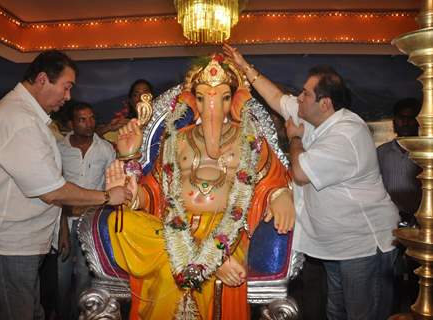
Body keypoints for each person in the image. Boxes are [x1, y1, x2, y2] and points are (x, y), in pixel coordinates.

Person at [101, 54, 295, 319]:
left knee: (171, 268)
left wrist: (280, 194)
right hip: (172, 227)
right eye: (203, 98)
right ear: (193, 100)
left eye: (223, 97)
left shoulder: (249, 139)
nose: (212, 106)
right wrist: (134, 194)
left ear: (233, 100)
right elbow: (156, 189)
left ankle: (208, 259)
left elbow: (270, 177)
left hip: (226, 231)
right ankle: (207, 263)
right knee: (119, 222)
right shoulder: (176, 139)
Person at [224, 44, 400, 320]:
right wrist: (244, 66)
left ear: (325, 102)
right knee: (336, 312)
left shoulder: (346, 134)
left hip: (362, 245)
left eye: (305, 93)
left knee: (362, 315)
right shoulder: (315, 116)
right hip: (336, 244)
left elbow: (301, 172)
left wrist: (293, 137)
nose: (298, 97)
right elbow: (277, 98)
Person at [0, 50, 132, 320]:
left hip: (16, 241)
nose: (68, 96)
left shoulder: (27, 115)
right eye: (66, 86)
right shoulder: (19, 119)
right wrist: (109, 196)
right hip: (5, 242)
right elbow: (52, 191)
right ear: (42, 79)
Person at [56, 102, 116, 320]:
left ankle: (81, 316)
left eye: (91, 117)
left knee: (84, 277)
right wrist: (62, 228)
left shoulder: (106, 149)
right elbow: (56, 190)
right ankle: (63, 315)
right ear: (71, 123)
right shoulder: (59, 148)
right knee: (61, 279)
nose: (89, 123)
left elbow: (110, 187)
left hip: (91, 222)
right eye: (82, 119)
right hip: (64, 221)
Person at [377, 97, 422, 312]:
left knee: (419, 275)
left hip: (421, 224)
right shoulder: (381, 153)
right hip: (390, 223)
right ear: (394, 122)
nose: (406, 122)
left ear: (418, 121)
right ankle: (392, 314)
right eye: (401, 118)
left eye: (410, 118)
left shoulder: (427, 154)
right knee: (390, 277)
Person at [98, 79, 153, 144]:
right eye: (136, 95)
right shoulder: (124, 126)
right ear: (131, 101)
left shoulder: (163, 120)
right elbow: (89, 137)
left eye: (145, 94)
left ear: (152, 97)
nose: (141, 98)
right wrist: (108, 127)